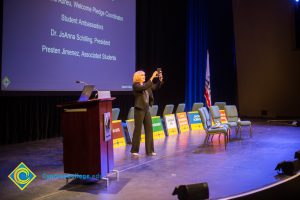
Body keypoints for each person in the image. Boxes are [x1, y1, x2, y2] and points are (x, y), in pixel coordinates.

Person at [130, 69, 163, 156]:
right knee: (138, 129)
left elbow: (155, 87)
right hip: (139, 109)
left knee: (149, 129)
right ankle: (134, 150)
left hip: (146, 109)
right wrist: (152, 77)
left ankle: (150, 150)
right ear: (137, 77)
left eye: (144, 75)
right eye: (142, 75)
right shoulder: (135, 85)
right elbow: (143, 87)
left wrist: (160, 80)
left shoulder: (146, 85)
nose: (144, 77)